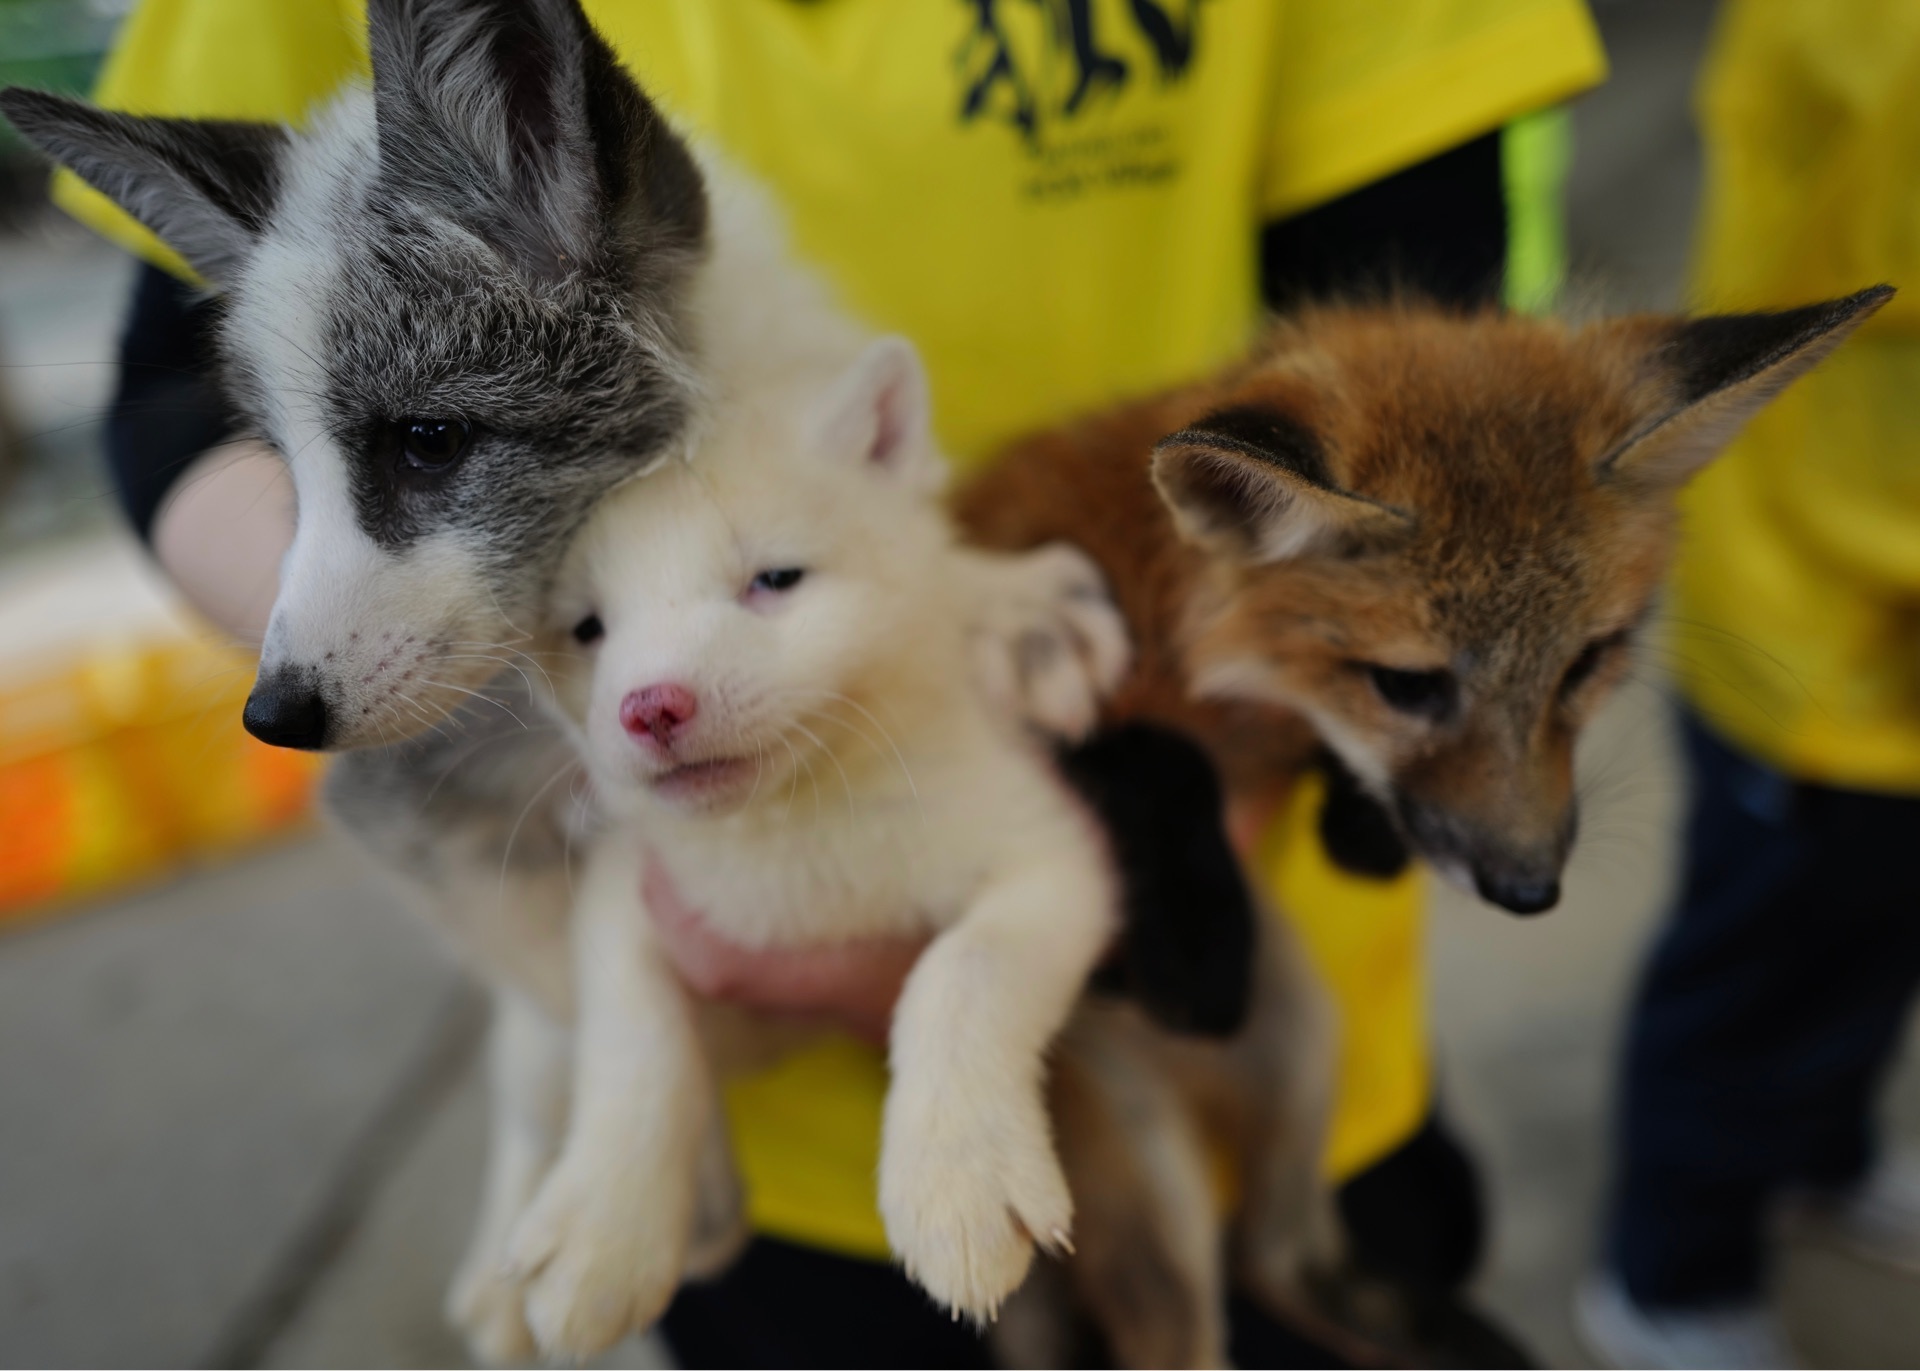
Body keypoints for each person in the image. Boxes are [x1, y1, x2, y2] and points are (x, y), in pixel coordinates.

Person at [68, 1, 1605, 1363]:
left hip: (1221, 957)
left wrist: (1136, 864)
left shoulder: (720, 341)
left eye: (420, 453)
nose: (295, 654)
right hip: (781, 1155)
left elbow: (1411, 455)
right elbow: (161, 402)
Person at [1578, 2, 1920, 1366]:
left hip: (1857, 587)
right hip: (1839, 605)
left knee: (1862, 943)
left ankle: (1816, 1152)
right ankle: (1672, 1273)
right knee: (1756, 966)